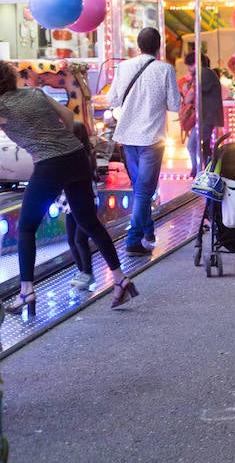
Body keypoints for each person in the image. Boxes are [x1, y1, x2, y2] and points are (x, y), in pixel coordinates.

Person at [0, 62, 138, 314]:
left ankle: (26, 292)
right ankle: (120, 279)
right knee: (89, 223)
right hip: (76, 156)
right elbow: (68, 118)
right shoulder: (35, 92)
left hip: (49, 164)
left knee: (26, 227)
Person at [107, 27, 180, 256]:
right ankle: (133, 240)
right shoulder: (165, 69)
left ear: (138, 46)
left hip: (127, 138)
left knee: (141, 188)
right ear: (159, 46)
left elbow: (112, 99)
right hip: (152, 138)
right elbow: (174, 105)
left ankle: (148, 231)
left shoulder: (124, 67)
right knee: (143, 191)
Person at [65, 121, 97, 290]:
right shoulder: (74, 155)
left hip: (83, 203)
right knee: (71, 240)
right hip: (69, 205)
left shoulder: (83, 156)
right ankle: (82, 272)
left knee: (79, 239)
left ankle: (87, 272)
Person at [184, 51, 225, 177]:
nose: (188, 69)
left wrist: (186, 96)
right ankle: (210, 171)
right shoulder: (207, 73)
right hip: (207, 116)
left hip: (207, 117)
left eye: (189, 65)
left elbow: (189, 95)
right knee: (205, 147)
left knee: (192, 145)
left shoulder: (204, 74)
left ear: (195, 63)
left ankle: (197, 171)